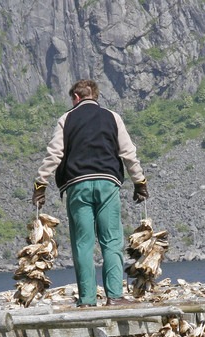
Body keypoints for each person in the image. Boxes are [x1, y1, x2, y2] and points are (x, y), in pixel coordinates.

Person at [32, 78, 149, 307]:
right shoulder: (113, 117)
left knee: (83, 244)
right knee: (111, 241)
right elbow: (128, 153)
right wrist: (140, 183)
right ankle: (114, 297)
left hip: (77, 186)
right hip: (107, 184)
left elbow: (54, 155)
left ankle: (86, 300)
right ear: (95, 96)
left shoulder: (66, 119)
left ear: (76, 97)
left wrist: (40, 186)